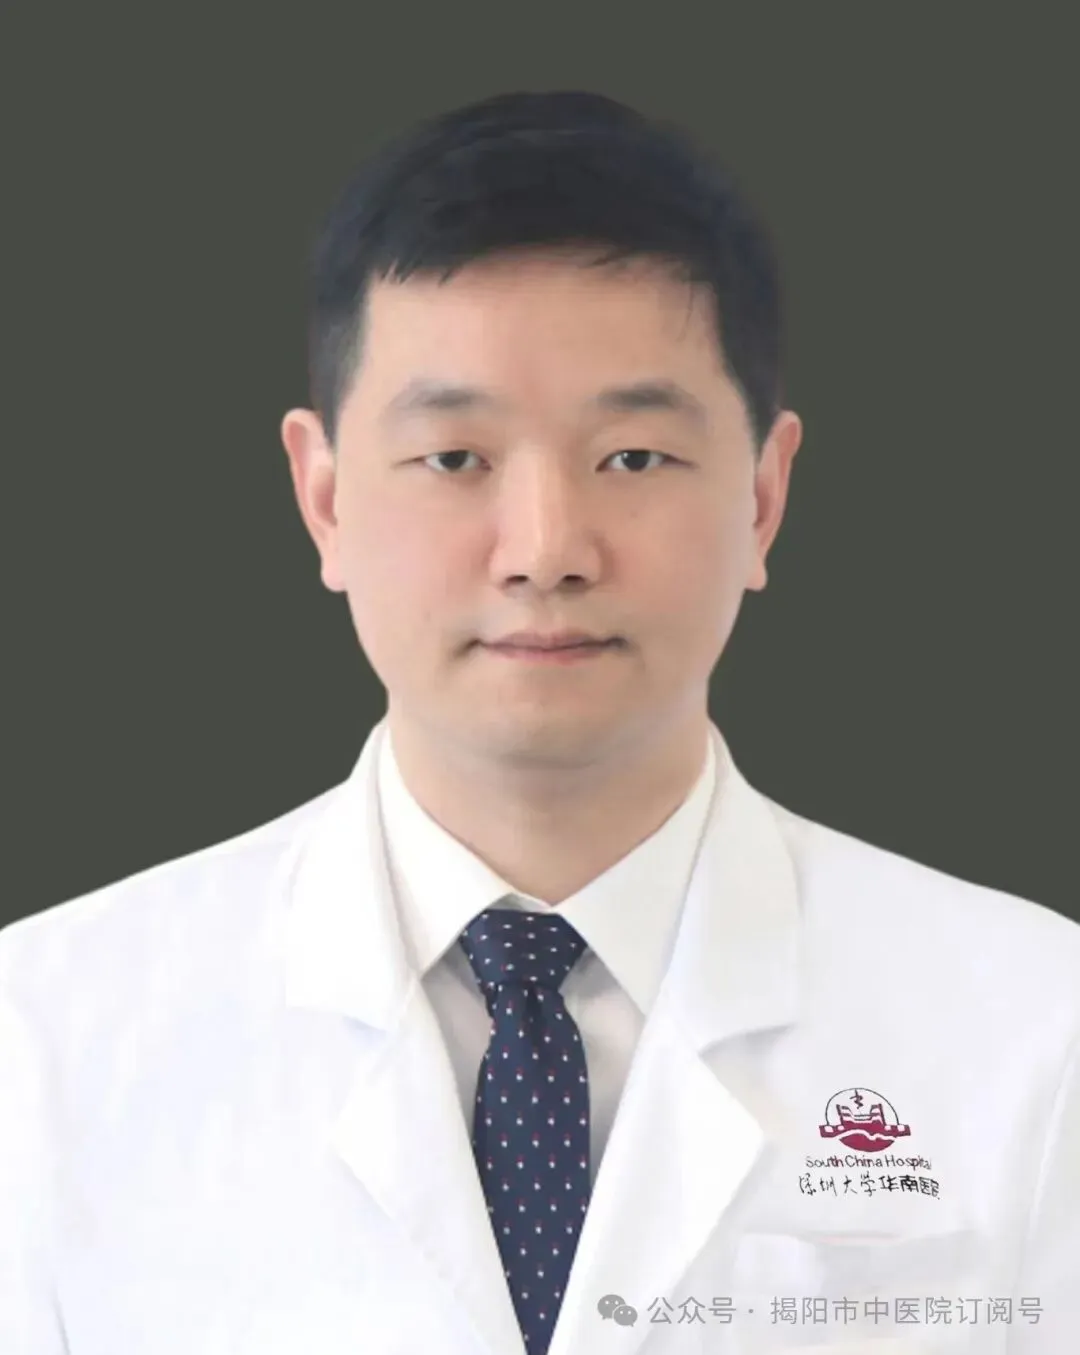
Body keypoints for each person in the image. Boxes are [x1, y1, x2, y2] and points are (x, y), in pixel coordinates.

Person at [1, 89, 1077, 1355]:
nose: (546, 548)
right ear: (326, 497)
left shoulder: (1036, 1030)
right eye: (455, 457)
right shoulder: (46, 1042)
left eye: (633, 457)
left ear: (764, 497)